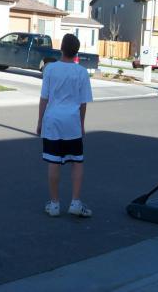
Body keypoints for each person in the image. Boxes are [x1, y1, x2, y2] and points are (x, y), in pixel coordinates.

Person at [36, 34, 93, 218]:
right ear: (77, 52)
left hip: (52, 121)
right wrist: (82, 125)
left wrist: (39, 122)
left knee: (54, 161)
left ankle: (54, 204)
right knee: (77, 161)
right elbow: (83, 103)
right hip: (72, 122)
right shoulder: (82, 72)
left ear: (62, 48)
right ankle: (75, 202)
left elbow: (44, 98)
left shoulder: (50, 69)